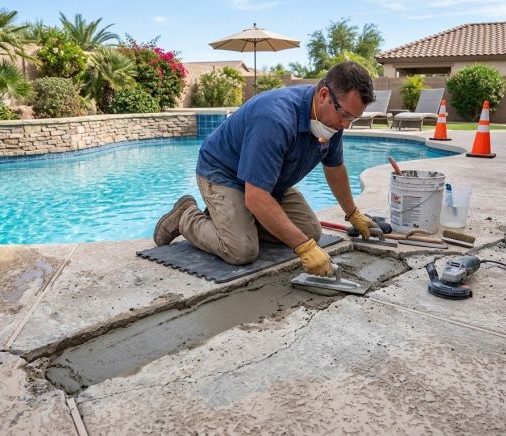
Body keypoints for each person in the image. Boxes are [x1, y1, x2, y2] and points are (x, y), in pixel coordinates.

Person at [153, 61, 380, 277]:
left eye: (353, 118)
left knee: (311, 232)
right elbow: (256, 197)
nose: (346, 124)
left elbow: (334, 167)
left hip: (269, 182)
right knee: (242, 250)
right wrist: (303, 247)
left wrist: (353, 214)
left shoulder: (332, 122)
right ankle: (186, 216)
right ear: (323, 95)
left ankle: (234, 219)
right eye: (345, 115)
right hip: (223, 173)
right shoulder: (275, 118)